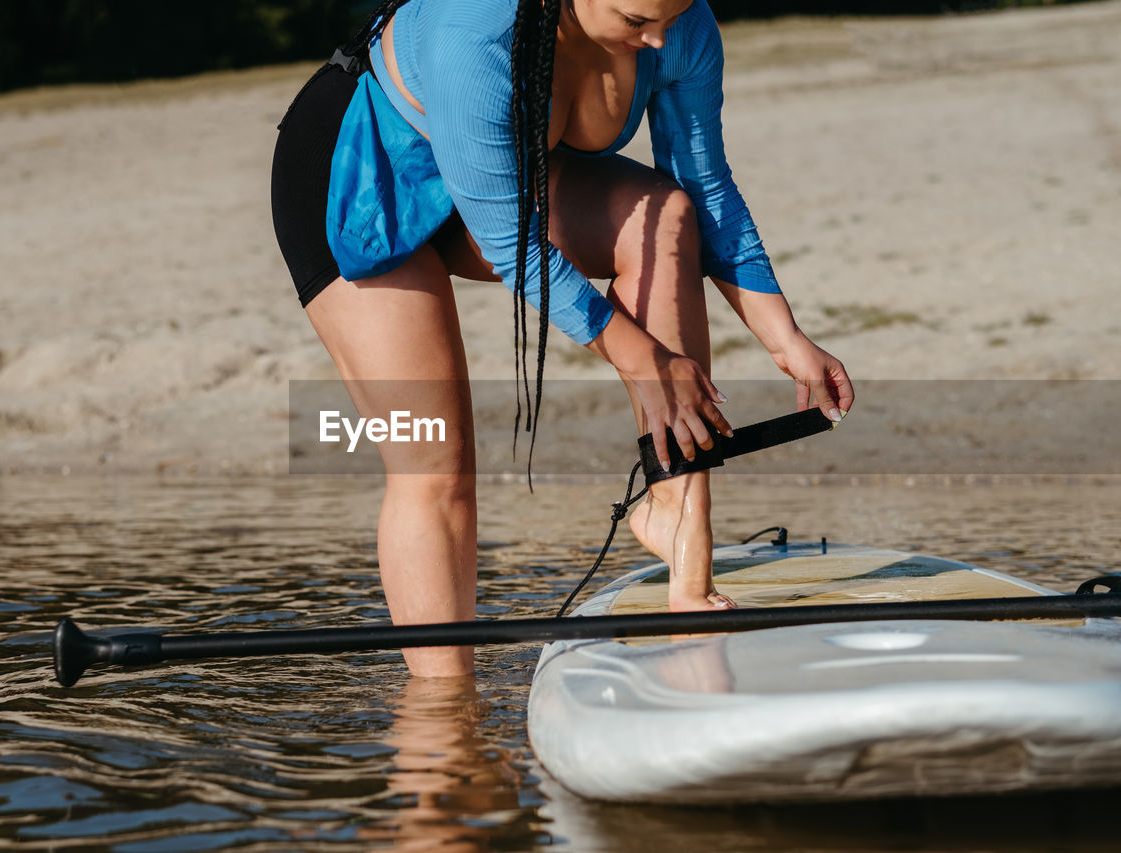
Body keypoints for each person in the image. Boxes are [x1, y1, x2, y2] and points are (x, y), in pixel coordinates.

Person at [271, 0, 854, 677]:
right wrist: (639, 356)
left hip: (499, 185)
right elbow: (510, 239)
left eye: (673, 13)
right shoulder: (477, 28)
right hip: (359, 174)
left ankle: (677, 523)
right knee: (435, 458)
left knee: (665, 214)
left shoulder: (680, 24)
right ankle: (444, 713)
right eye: (638, 20)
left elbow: (708, 185)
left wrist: (786, 338)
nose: (661, 37)